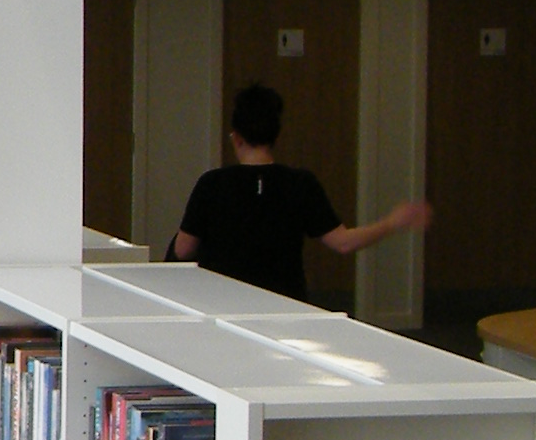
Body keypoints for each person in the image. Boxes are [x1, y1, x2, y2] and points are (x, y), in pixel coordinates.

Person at [171, 82, 433, 300]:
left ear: (236, 137)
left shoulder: (212, 184)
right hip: (285, 303)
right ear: (275, 135)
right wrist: (391, 222)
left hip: (222, 301)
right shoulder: (301, 183)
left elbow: (183, 249)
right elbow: (343, 242)